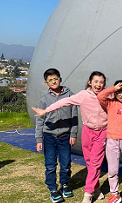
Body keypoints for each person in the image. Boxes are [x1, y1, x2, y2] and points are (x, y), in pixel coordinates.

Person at [32, 71, 108, 203]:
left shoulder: (107, 95)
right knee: (90, 163)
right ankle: (95, 187)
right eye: (96, 81)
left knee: (95, 163)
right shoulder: (83, 95)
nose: (99, 84)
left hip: (101, 132)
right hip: (86, 132)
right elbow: (64, 102)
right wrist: (46, 111)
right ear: (90, 82)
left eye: (102, 82)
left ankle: (88, 193)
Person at [35, 68, 78, 203]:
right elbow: (40, 120)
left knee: (65, 164)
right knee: (50, 164)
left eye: (55, 79)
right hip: (49, 137)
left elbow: (74, 116)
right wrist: (38, 139)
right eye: (50, 80)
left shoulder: (70, 95)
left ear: (60, 79)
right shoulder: (44, 99)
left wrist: (73, 133)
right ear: (46, 83)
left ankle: (65, 185)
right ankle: (53, 188)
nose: (54, 82)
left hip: (65, 136)